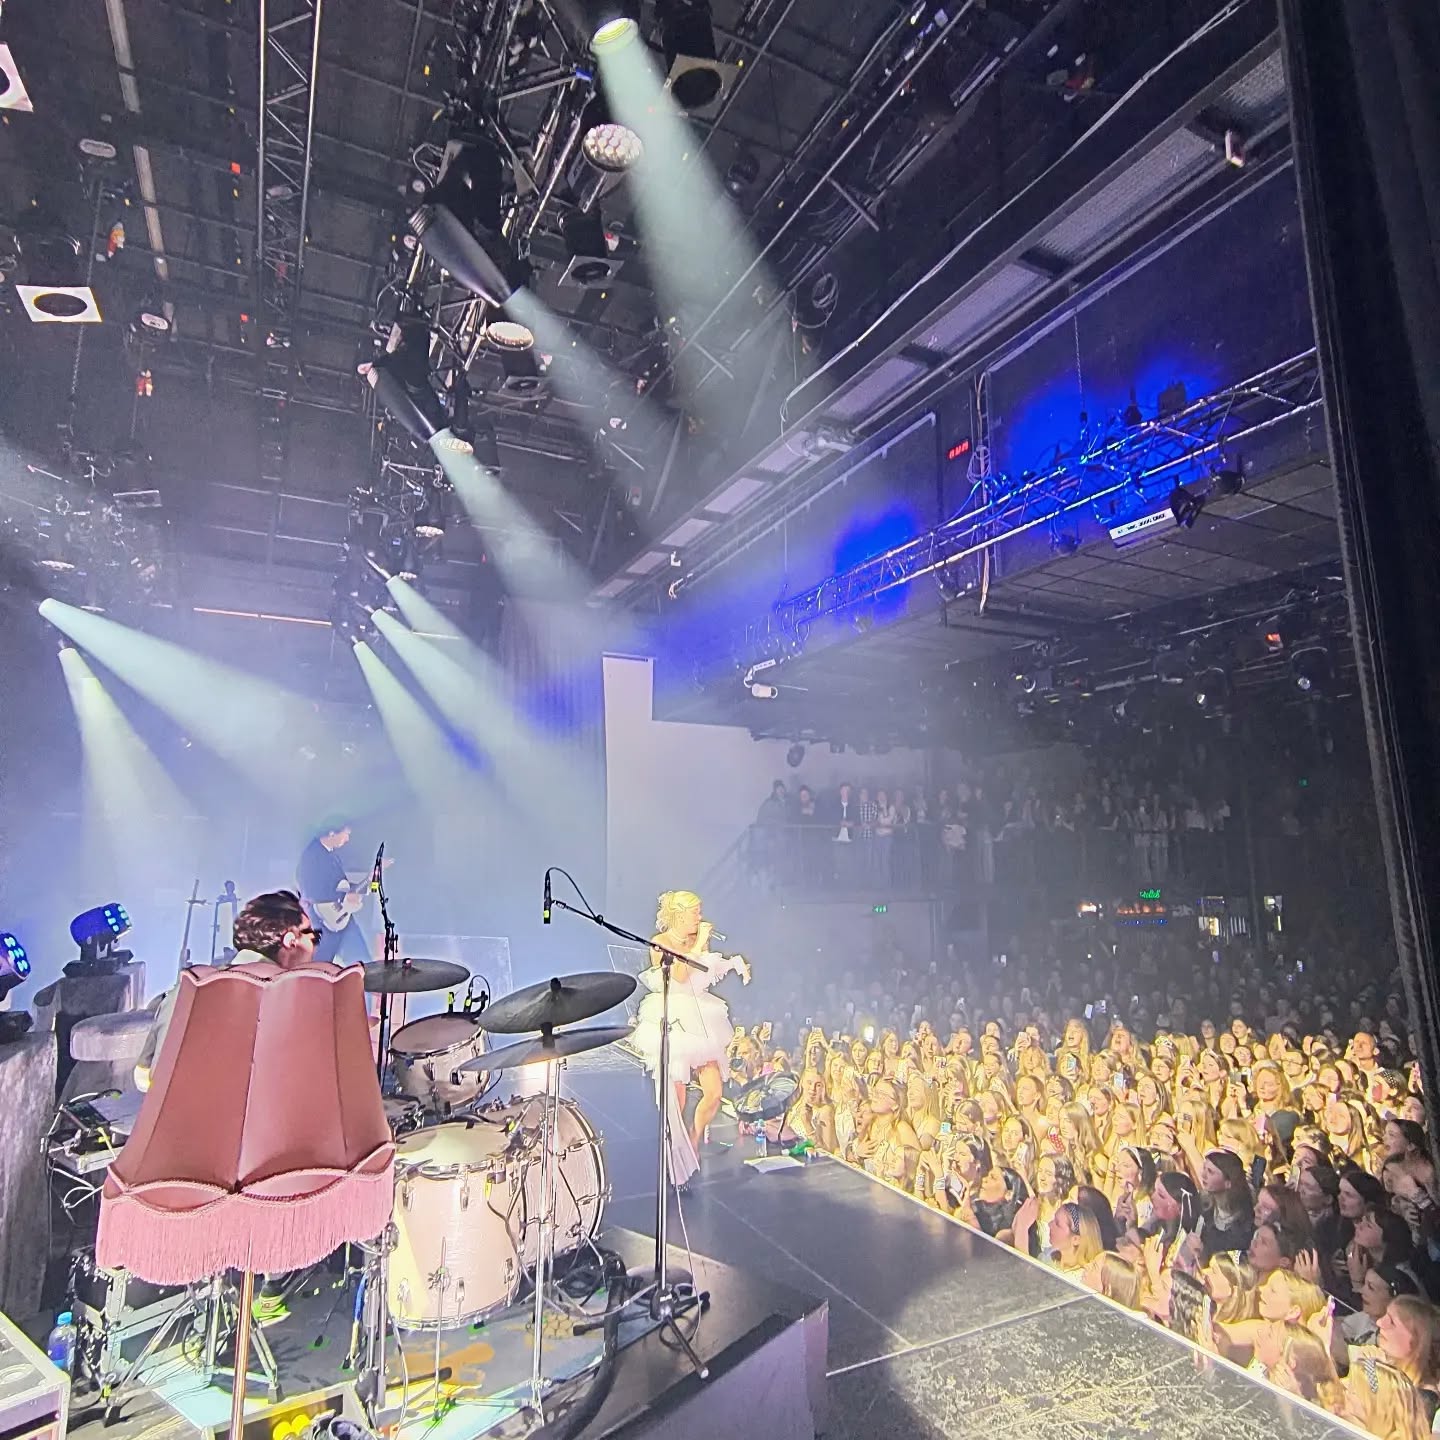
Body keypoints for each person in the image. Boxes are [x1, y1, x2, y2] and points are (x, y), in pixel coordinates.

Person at [135, 890, 322, 1092]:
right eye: (315, 937)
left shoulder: (184, 992)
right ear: (291, 940)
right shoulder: (298, 1002)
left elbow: (143, 1079)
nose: (316, 949)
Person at [632, 890, 751, 1187]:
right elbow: (681, 976)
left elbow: (703, 972)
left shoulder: (698, 940)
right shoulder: (659, 942)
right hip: (673, 1018)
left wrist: (734, 964)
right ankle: (676, 1159)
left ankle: (694, 1138)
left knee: (714, 1091)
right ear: (679, 915)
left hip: (700, 1016)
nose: (699, 917)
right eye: (695, 912)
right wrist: (698, 944)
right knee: (677, 1098)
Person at [297, 817, 372, 964]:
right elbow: (313, 889)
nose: (347, 839)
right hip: (323, 919)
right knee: (323, 963)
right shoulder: (312, 855)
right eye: (346, 834)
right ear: (332, 833)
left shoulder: (330, 854)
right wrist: (343, 897)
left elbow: (339, 885)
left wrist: (367, 881)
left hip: (339, 918)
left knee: (359, 959)